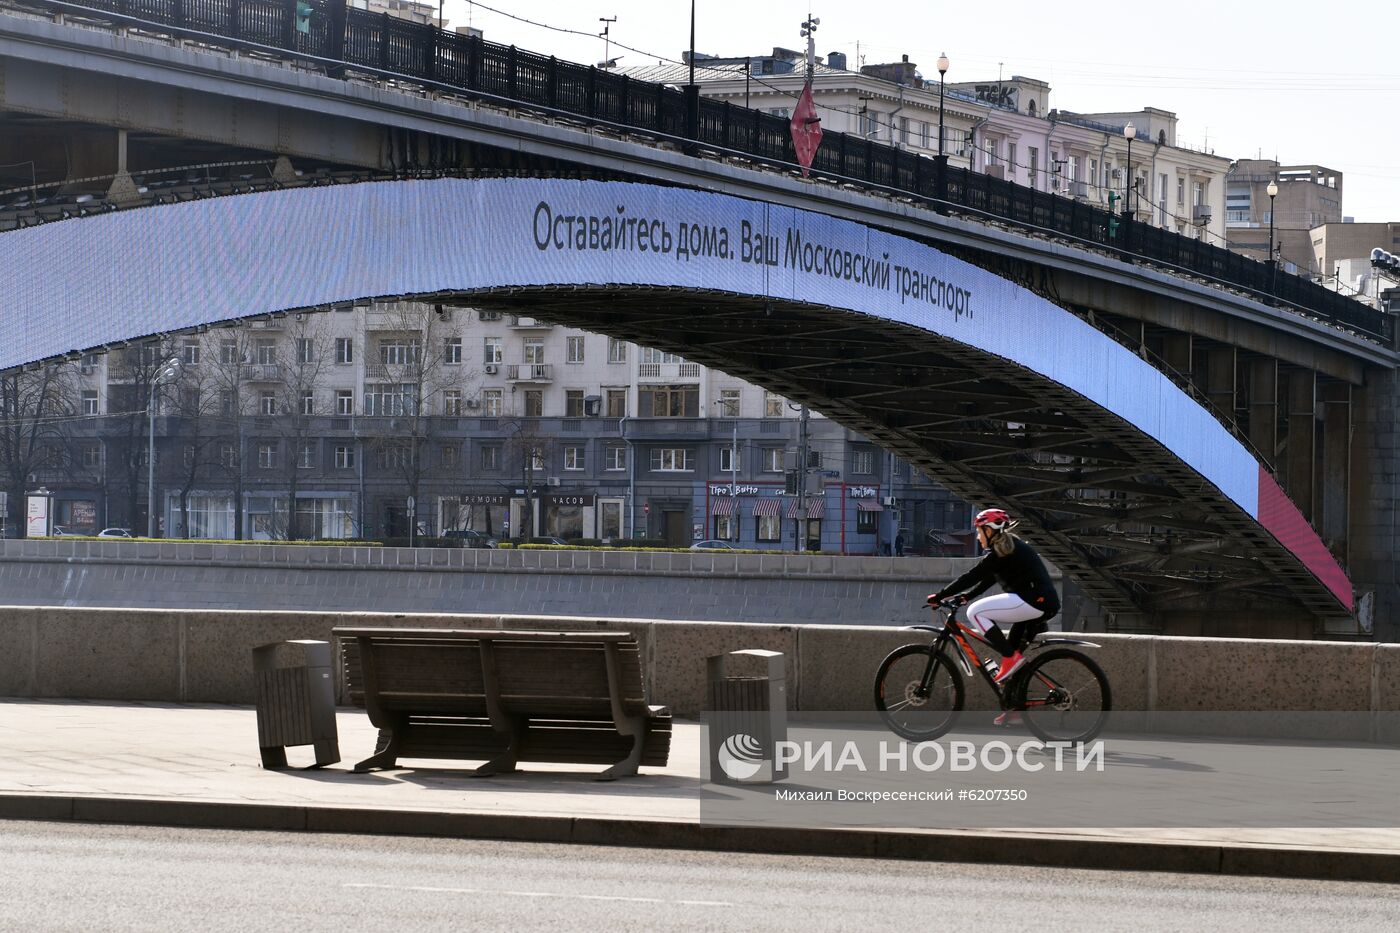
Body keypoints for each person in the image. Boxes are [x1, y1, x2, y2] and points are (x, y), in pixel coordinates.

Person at [928, 508, 1061, 724]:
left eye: (980, 532)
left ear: (991, 531)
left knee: (976, 613)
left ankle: (1010, 658)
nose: (979, 536)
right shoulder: (1007, 549)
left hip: (1033, 601)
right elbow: (989, 578)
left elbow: (972, 575)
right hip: (1039, 603)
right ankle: (1016, 707)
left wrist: (940, 595)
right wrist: (966, 597)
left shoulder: (1000, 552)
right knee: (1014, 658)